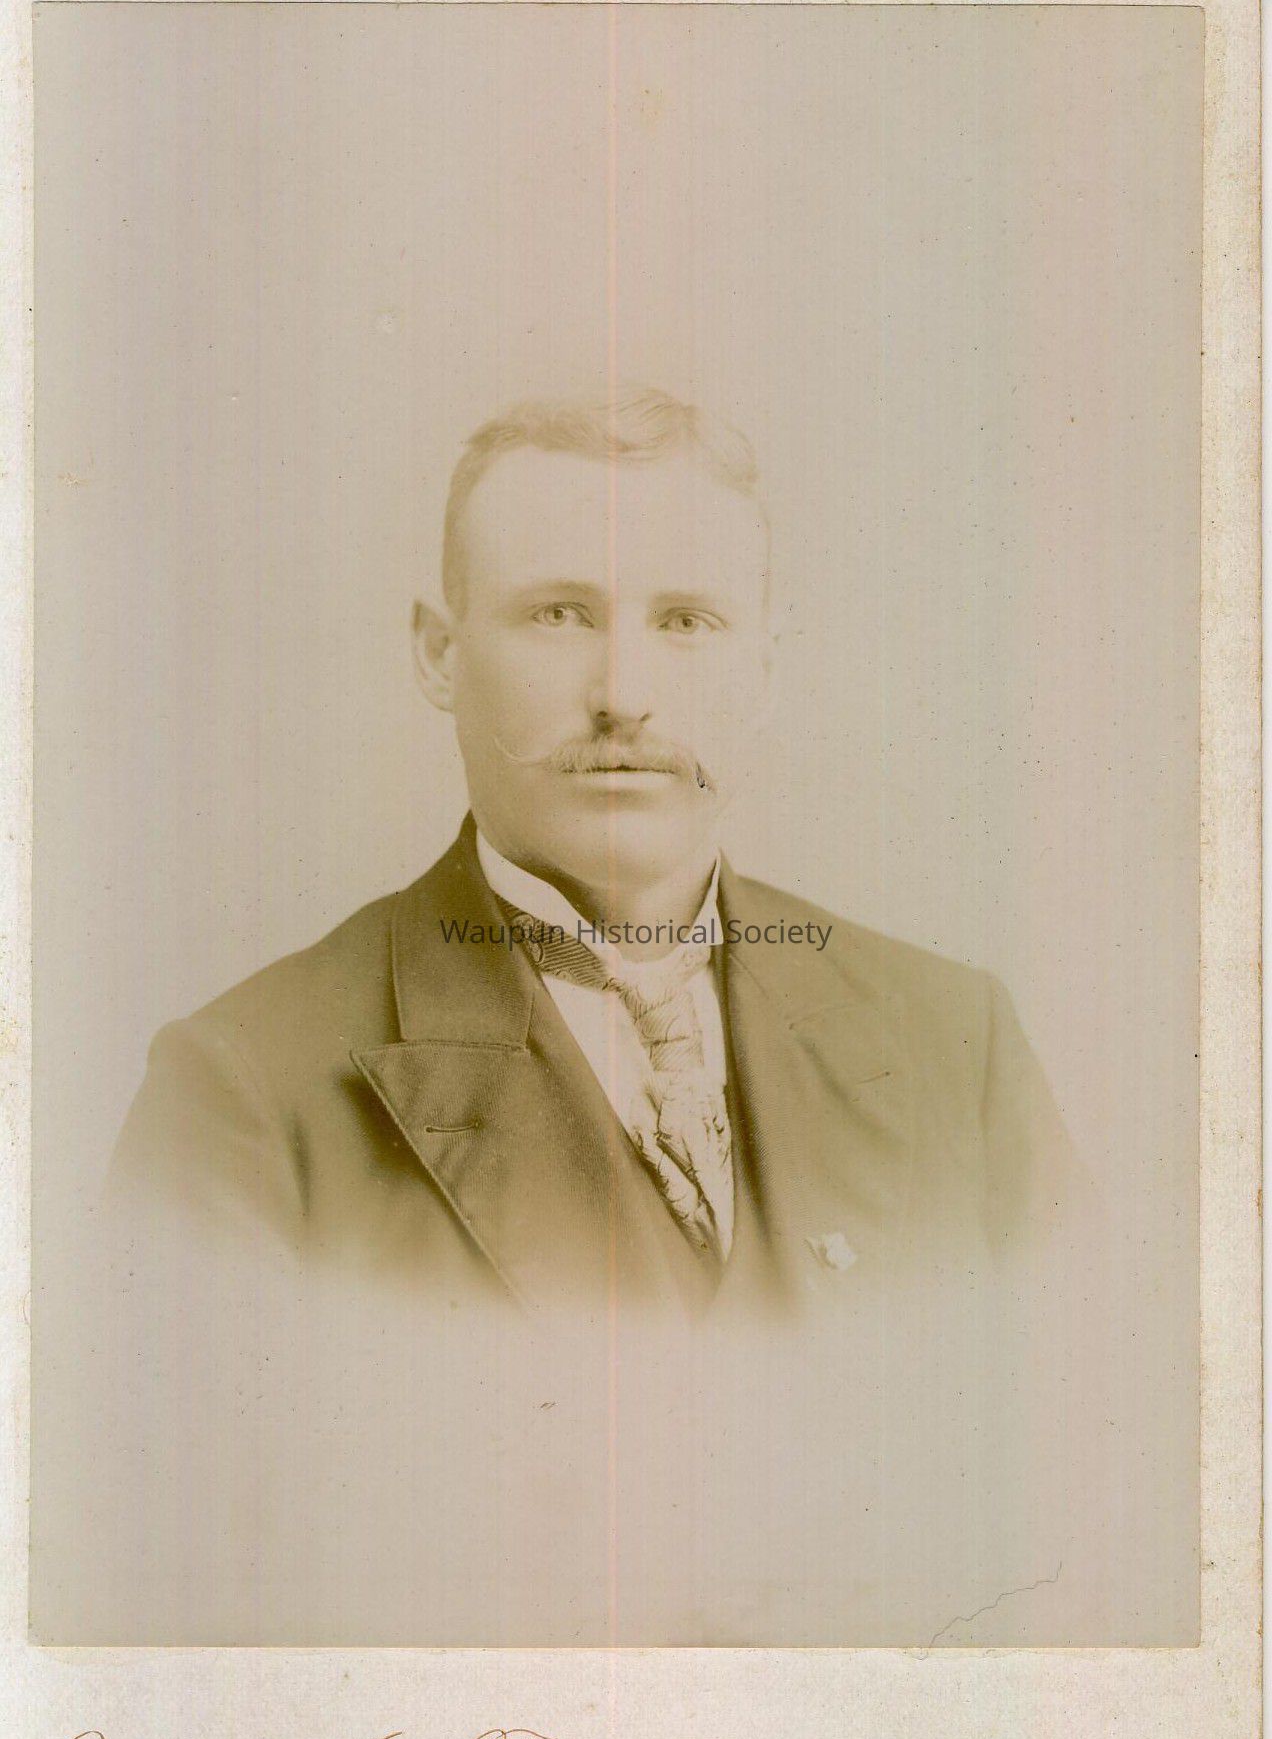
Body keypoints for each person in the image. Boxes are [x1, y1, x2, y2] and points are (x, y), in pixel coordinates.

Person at [110, 386, 1081, 1321]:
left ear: (764, 668)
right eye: (559, 615)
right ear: (440, 656)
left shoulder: (958, 1044)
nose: (623, 695)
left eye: (686, 622)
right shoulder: (243, 1090)